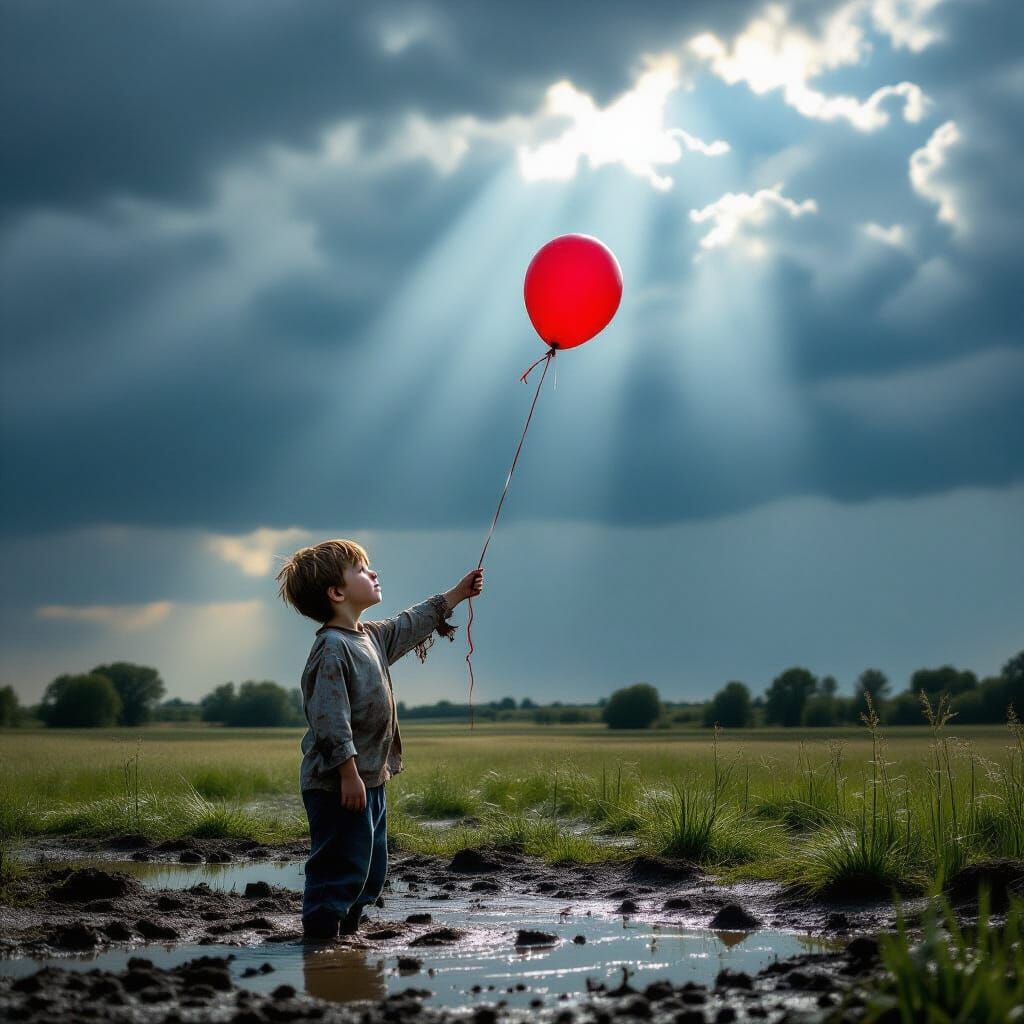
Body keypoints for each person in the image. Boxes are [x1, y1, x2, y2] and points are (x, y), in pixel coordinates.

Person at [275, 538, 484, 941]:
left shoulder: (369, 636)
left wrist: (457, 594)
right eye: (361, 570)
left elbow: (411, 623)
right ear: (337, 593)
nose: (373, 573)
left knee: (371, 866)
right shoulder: (332, 649)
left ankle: (347, 931)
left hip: (370, 779)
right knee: (340, 865)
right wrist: (348, 773)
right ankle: (321, 939)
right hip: (339, 782)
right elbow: (329, 719)